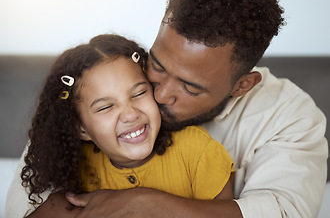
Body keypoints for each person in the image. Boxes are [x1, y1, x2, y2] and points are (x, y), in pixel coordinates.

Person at [6, 0, 328, 217]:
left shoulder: (293, 118)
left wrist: (143, 202)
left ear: (242, 86)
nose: (158, 94)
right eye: (157, 65)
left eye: (190, 87)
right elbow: (27, 197)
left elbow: (283, 210)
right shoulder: (108, 80)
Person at [9, 34, 234, 217]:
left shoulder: (199, 152)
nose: (129, 114)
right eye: (105, 107)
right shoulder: (77, 169)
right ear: (81, 129)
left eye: (138, 93)